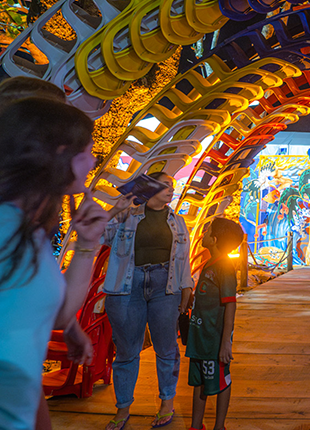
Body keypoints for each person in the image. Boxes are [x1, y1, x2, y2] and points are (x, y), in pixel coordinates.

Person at [0, 98, 108, 429]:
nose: (94, 160)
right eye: (87, 151)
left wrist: (87, 245)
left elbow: (54, 314)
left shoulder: (25, 230)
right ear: (59, 153)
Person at [102, 172, 194, 430]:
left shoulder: (177, 221)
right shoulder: (127, 216)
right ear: (148, 188)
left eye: (172, 185)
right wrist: (115, 209)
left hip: (166, 285)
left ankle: (167, 403)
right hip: (127, 285)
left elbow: (183, 258)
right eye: (164, 185)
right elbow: (96, 235)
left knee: (166, 348)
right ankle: (123, 408)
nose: (170, 189)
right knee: (126, 350)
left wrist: (187, 287)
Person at [188, 218, 243, 430]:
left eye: (208, 230)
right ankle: (196, 425)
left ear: (215, 239)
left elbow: (230, 305)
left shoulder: (225, 267)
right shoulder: (211, 263)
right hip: (200, 336)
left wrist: (226, 342)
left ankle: (219, 426)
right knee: (199, 380)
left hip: (214, 338)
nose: (204, 233)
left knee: (221, 380)